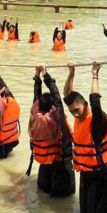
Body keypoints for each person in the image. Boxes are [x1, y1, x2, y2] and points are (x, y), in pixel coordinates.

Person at [63, 61, 107, 213]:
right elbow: (67, 94)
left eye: (76, 110)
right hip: (85, 172)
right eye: (71, 112)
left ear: (85, 104)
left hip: (98, 174)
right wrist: (71, 73)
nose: (74, 114)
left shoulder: (96, 120)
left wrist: (95, 74)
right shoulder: (79, 118)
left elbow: (95, 101)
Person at [26, 64, 75, 197]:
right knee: (61, 200)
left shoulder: (35, 116)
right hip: (60, 166)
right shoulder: (56, 117)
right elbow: (57, 96)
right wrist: (45, 74)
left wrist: (38, 75)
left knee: (43, 196)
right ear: (53, 106)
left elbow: (37, 97)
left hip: (44, 165)